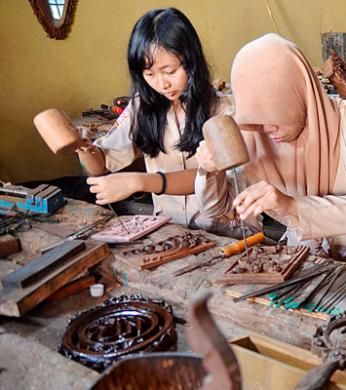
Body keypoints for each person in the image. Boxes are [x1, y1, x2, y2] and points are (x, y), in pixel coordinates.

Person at [195, 34, 346, 273]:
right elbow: (219, 211)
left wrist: (292, 206)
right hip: (302, 259)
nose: (267, 131)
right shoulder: (253, 134)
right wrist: (208, 171)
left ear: (299, 94)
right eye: (257, 120)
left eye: (275, 116)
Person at [76, 8, 248, 237]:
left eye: (170, 71)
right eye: (149, 75)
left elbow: (207, 175)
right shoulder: (142, 107)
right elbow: (101, 165)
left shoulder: (224, 111)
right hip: (170, 230)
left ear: (191, 60)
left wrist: (140, 182)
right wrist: (83, 147)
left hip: (226, 231)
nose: (161, 84)